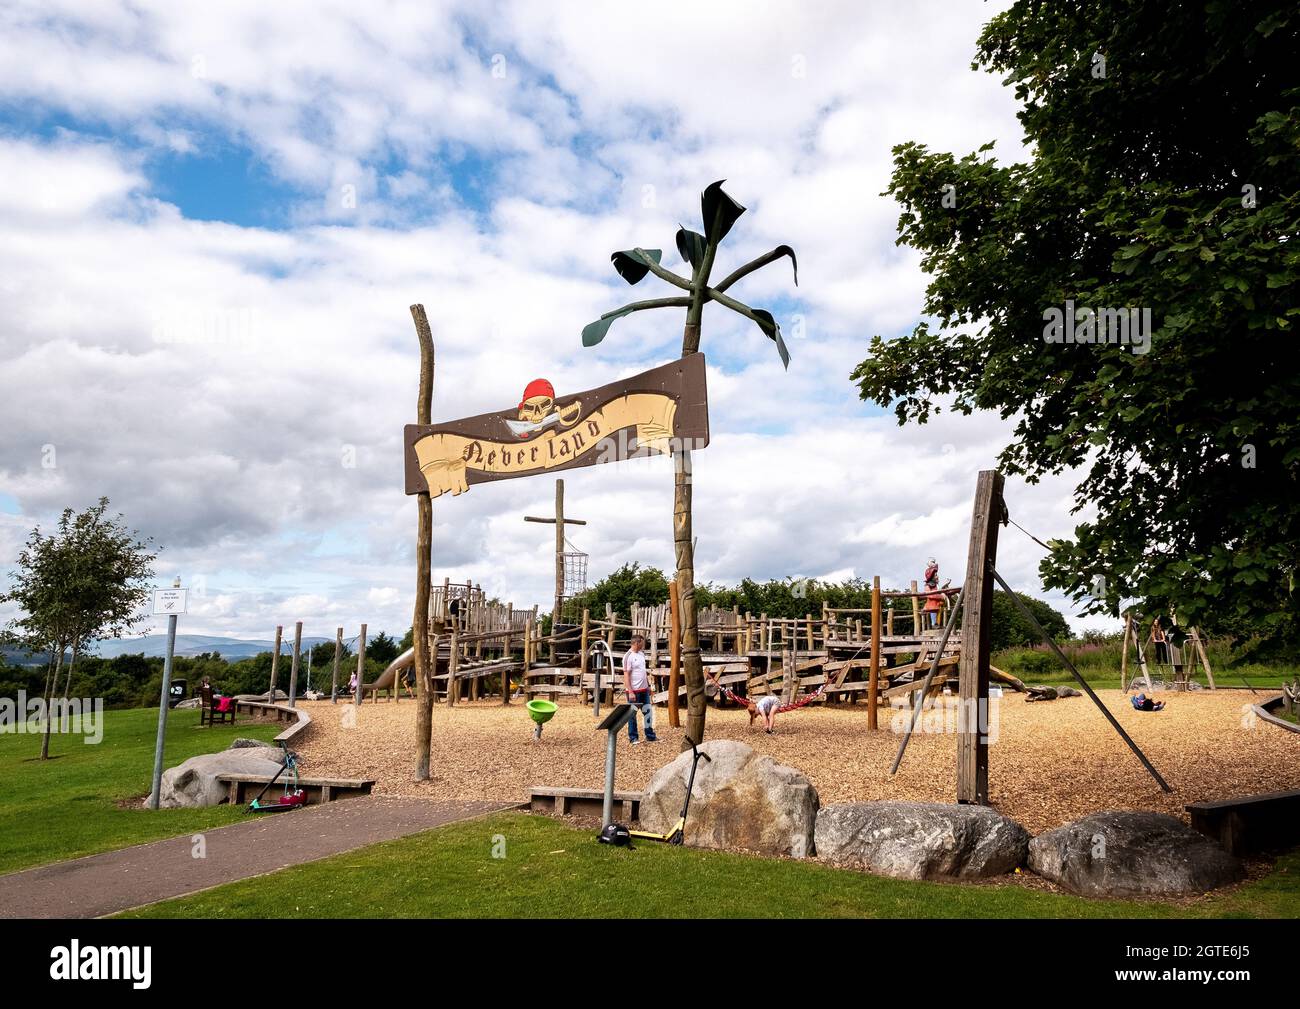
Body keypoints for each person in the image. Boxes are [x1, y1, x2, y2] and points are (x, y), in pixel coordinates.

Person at [622, 634, 657, 744]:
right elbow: (626, 675)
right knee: (632, 715)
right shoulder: (628, 656)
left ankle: (650, 735)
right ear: (637, 643)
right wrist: (630, 691)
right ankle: (633, 738)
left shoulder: (641, 654)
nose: (643, 645)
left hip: (644, 690)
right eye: (642, 643)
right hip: (634, 691)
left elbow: (643, 672)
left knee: (648, 712)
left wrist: (648, 686)